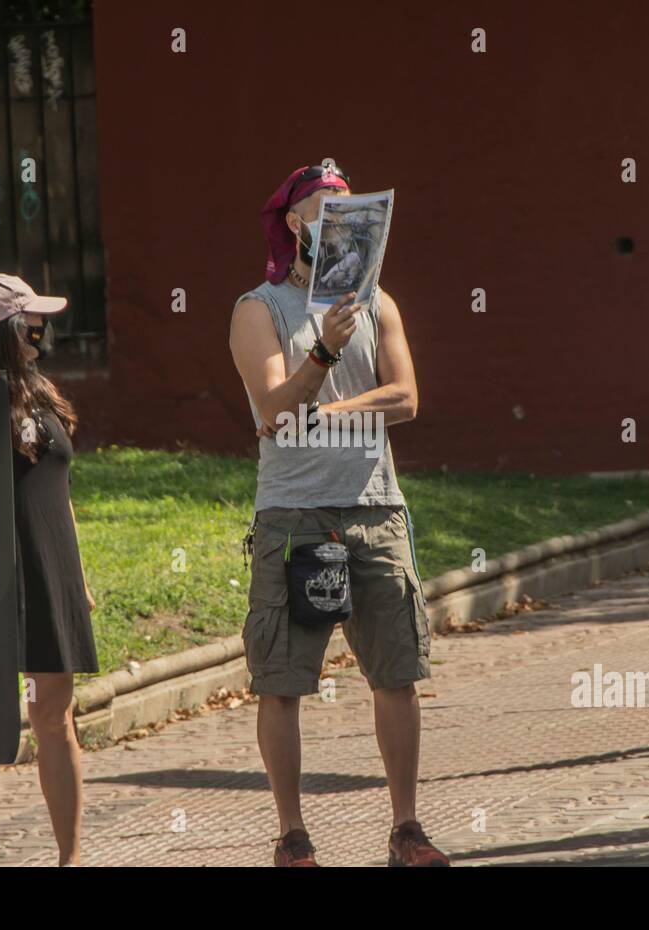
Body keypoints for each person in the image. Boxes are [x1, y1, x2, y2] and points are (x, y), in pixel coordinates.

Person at [228, 161, 448, 867]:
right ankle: (292, 838)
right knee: (285, 681)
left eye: (350, 208)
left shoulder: (379, 304)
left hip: (376, 506)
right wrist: (322, 351)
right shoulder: (258, 308)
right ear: (294, 222)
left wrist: (329, 409)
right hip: (292, 513)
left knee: (398, 674)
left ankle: (406, 830)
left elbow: (407, 398)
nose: (340, 216)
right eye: (325, 206)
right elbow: (271, 409)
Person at [0, 273, 98, 866]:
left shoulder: (41, 388)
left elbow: (59, 488)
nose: (43, 330)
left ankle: (70, 860)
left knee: (55, 717)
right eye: (32, 321)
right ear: (5, 328)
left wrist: (75, 573)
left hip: (48, 564)